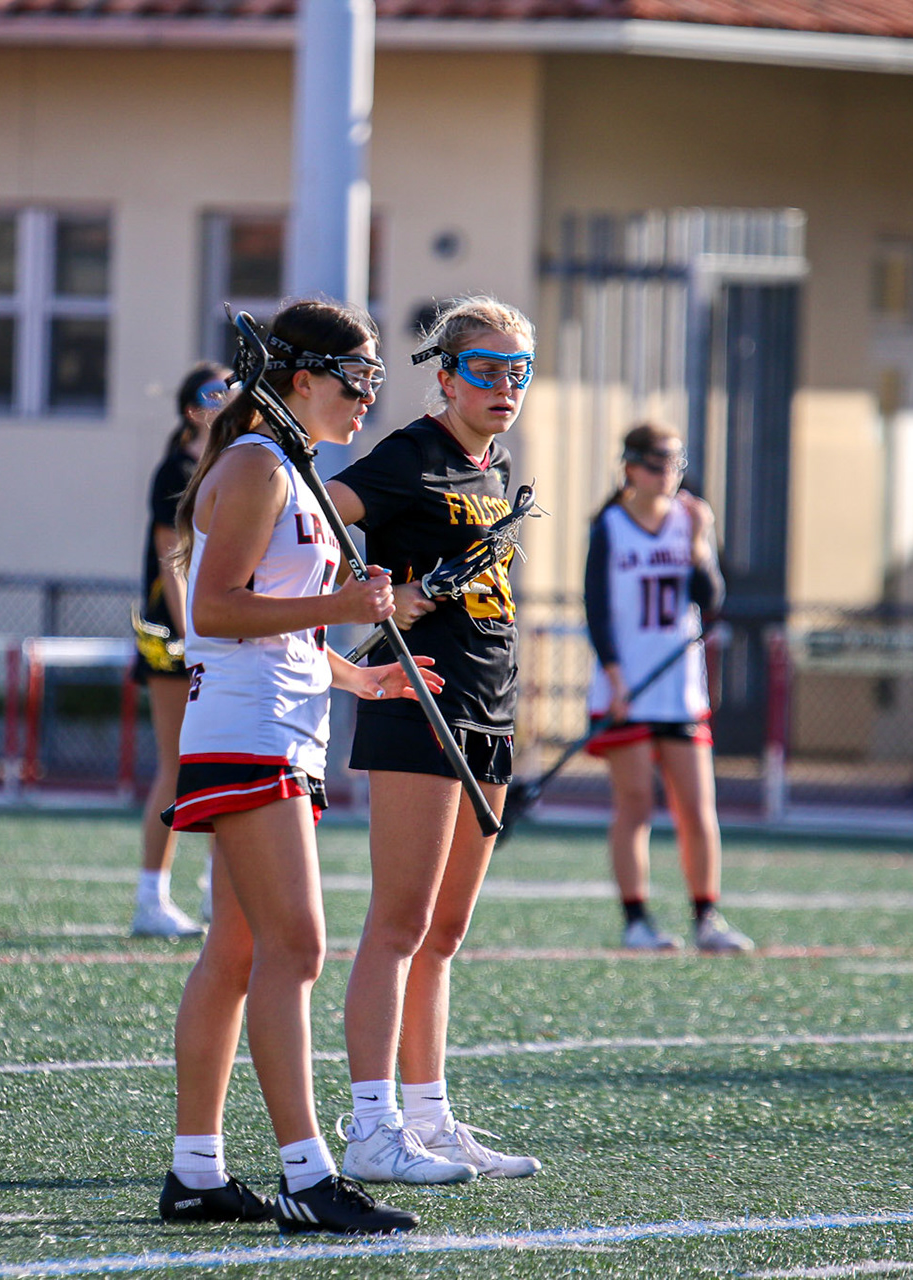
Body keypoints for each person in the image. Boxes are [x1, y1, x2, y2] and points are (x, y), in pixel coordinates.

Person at [158, 300, 439, 1236]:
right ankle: (309, 1177)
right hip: (249, 732)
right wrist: (344, 603)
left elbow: (283, 624)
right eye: (357, 380)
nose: (367, 399)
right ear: (303, 378)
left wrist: (362, 676)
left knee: (238, 951)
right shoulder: (254, 466)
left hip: (276, 727)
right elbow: (215, 609)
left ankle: (196, 1173)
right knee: (299, 947)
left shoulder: (291, 468)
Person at [323, 296, 542, 1184]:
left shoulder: (491, 466)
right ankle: (372, 1126)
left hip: (489, 710)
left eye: (518, 371)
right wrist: (371, 600)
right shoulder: (409, 455)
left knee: (445, 932)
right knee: (401, 922)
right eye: (485, 370)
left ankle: (429, 1117)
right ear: (445, 376)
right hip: (419, 702)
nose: (503, 387)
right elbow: (312, 519)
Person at [582, 423, 753, 953]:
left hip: (679, 690)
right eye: (657, 464)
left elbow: (711, 599)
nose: (669, 475)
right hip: (628, 688)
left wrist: (701, 540)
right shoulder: (610, 525)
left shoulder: (690, 519)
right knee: (634, 804)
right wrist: (615, 678)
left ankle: (707, 917)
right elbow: (597, 609)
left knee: (697, 808)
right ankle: (637, 920)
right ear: (631, 467)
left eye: (676, 464)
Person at [129, 363, 231, 939]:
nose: (230, 398)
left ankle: (218, 890)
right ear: (193, 410)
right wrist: (195, 635)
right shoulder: (179, 470)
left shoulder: (228, 465)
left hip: (210, 632)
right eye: (217, 392)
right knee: (178, 764)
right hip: (175, 636)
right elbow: (173, 560)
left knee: (224, 761)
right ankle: (151, 897)